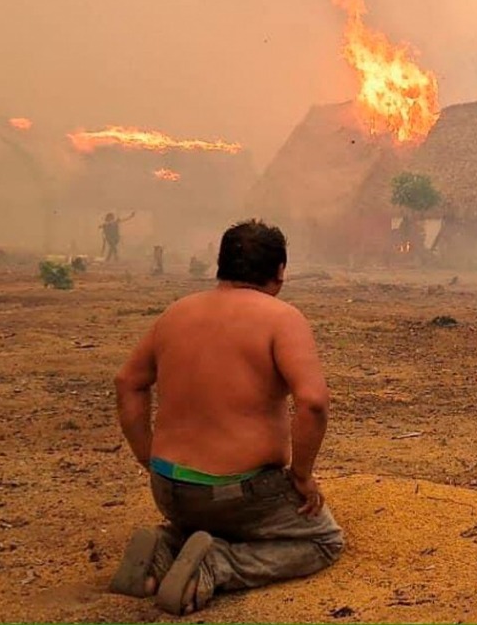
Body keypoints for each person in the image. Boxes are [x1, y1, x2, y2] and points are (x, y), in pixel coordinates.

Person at [109, 220, 343, 615]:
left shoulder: (176, 312)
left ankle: (165, 550)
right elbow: (314, 402)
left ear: (221, 265)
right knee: (323, 541)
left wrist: (146, 456)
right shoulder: (281, 318)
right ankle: (217, 565)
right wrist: (301, 475)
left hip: (167, 487)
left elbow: (127, 382)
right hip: (238, 495)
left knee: (208, 517)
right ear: (280, 272)